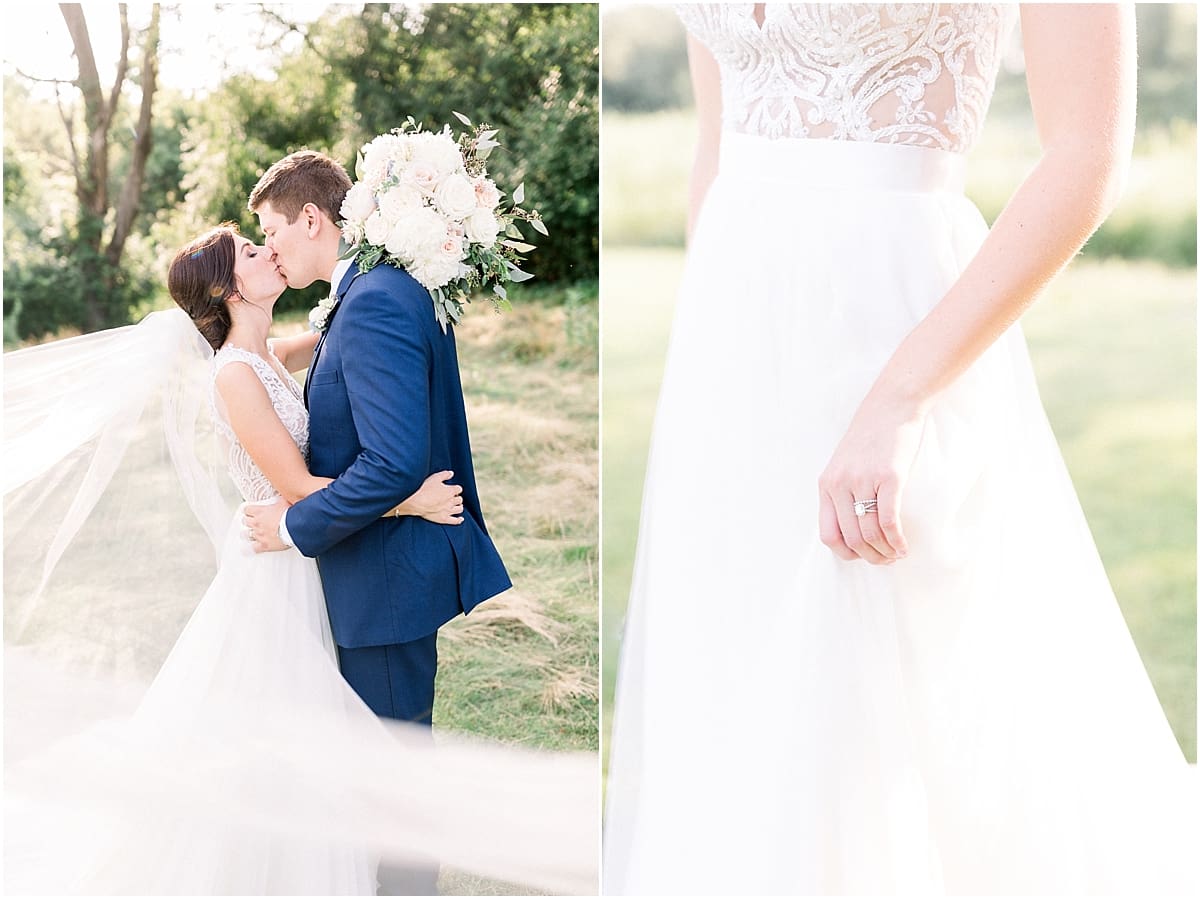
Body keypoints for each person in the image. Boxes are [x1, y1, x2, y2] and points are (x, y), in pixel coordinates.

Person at [603, 4, 1197, 895]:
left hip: (895, 328)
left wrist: (903, 395)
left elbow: (1087, 156)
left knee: (889, 694)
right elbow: (721, 145)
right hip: (732, 355)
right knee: (739, 703)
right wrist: (714, 361)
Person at [3, 223, 598, 897]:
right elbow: (296, 490)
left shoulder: (264, 352)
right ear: (232, 288)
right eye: (252, 252)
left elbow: (345, 332)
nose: (269, 253)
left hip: (312, 554)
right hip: (276, 564)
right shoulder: (233, 374)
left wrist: (397, 264)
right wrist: (411, 501)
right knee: (282, 721)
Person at [242, 150, 512, 731]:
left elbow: (392, 463)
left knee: (390, 780)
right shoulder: (373, 290)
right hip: (377, 576)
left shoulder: (373, 302)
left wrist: (292, 527)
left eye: (271, 231)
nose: (270, 249)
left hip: (384, 584)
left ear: (311, 219)